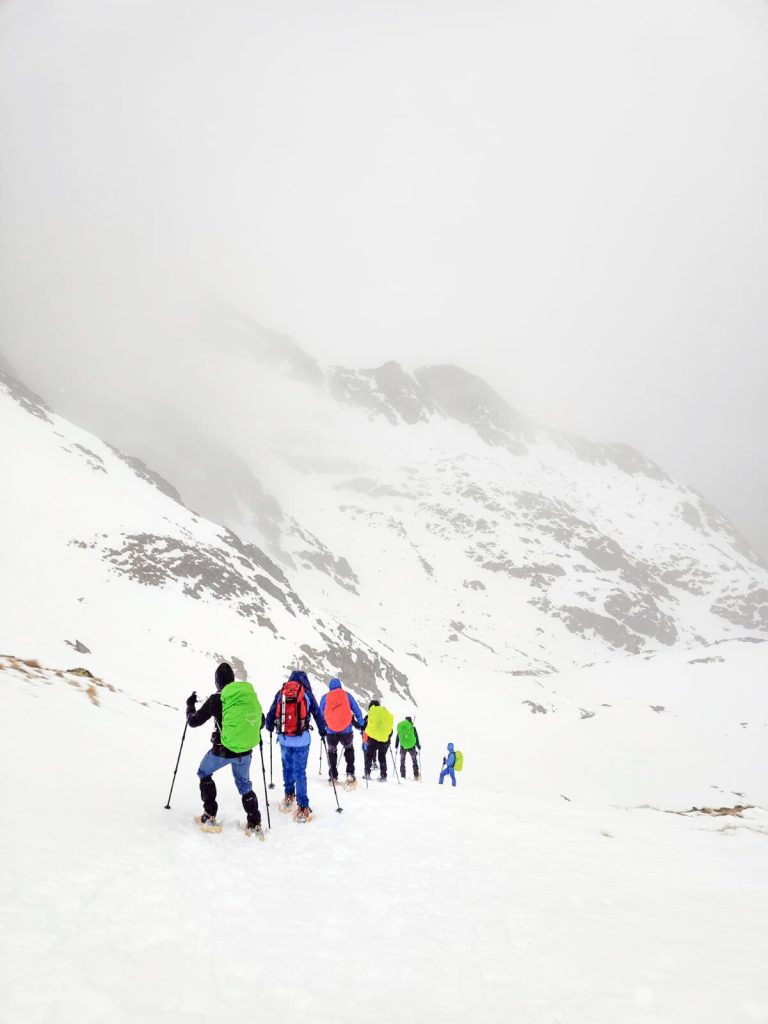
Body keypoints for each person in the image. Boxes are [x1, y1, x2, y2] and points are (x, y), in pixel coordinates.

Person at [186, 662, 264, 835]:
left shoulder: (217, 699)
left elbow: (193, 721)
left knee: (204, 772)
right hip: (245, 752)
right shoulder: (246, 698)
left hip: (223, 751)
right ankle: (255, 822)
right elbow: (262, 721)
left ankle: (210, 815)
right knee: (245, 786)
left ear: (217, 682)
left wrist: (190, 706)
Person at [265, 669, 325, 823]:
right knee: (300, 771)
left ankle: (289, 794)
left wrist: (270, 726)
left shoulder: (282, 692)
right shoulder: (306, 693)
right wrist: (322, 731)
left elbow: (272, 712)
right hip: (302, 740)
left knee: (287, 767)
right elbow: (317, 713)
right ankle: (303, 806)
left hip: (285, 739)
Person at [319, 677, 364, 786]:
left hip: (331, 731)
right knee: (349, 749)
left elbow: (320, 714)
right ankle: (350, 773)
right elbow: (356, 710)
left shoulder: (325, 698)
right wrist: (361, 723)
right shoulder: (346, 695)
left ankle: (333, 775)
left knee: (332, 751)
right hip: (346, 730)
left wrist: (323, 726)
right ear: (340, 686)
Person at [362, 699, 394, 782]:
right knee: (382, 757)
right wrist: (388, 737)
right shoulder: (384, 714)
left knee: (369, 756)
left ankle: (367, 773)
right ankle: (383, 775)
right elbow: (390, 730)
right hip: (383, 740)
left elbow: (363, 726)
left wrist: (353, 721)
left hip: (372, 739)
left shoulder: (370, 715)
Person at [395, 716, 421, 780]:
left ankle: (403, 776)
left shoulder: (402, 728)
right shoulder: (413, 728)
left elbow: (398, 737)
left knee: (402, 761)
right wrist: (418, 745)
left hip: (403, 746)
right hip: (412, 746)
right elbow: (416, 737)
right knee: (414, 760)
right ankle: (416, 774)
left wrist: (396, 745)